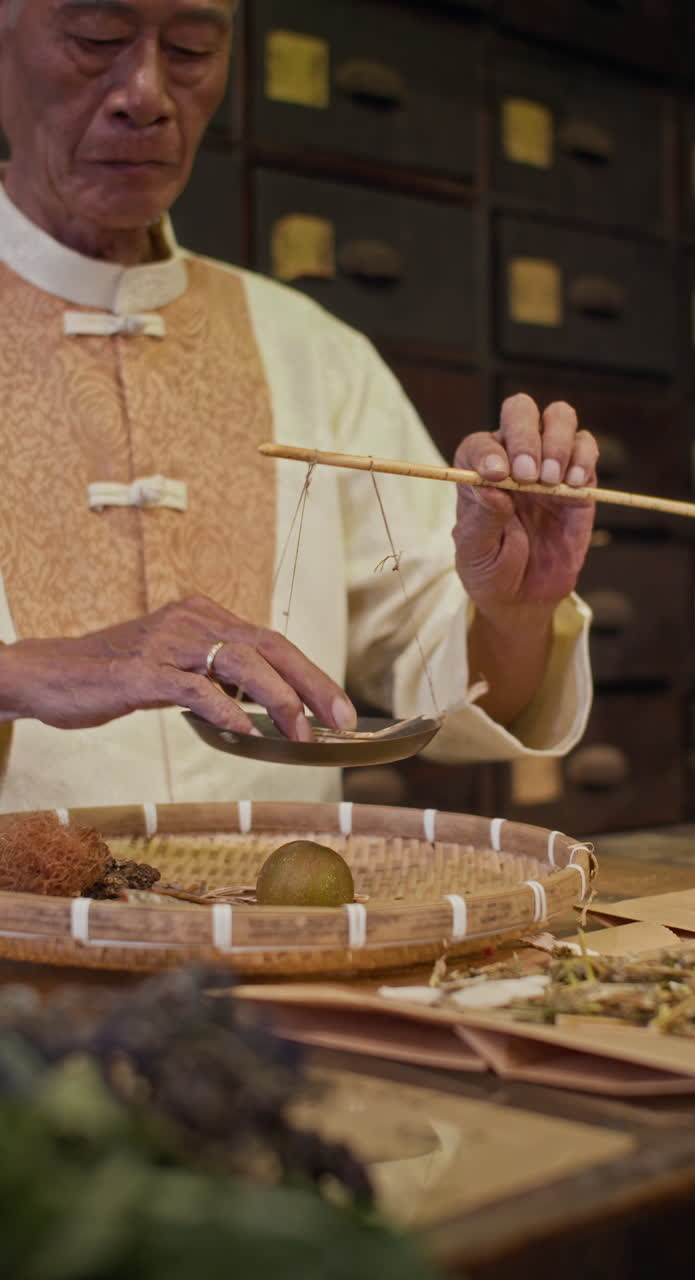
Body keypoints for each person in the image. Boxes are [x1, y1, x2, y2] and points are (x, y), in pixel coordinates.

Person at [0, 0, 598, 810]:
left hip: (280, 916)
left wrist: (517, 614)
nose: (144, 93)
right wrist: (20, 674)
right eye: (95, 40)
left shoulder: (315, 352)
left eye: (191, 49)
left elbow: (446, 684)